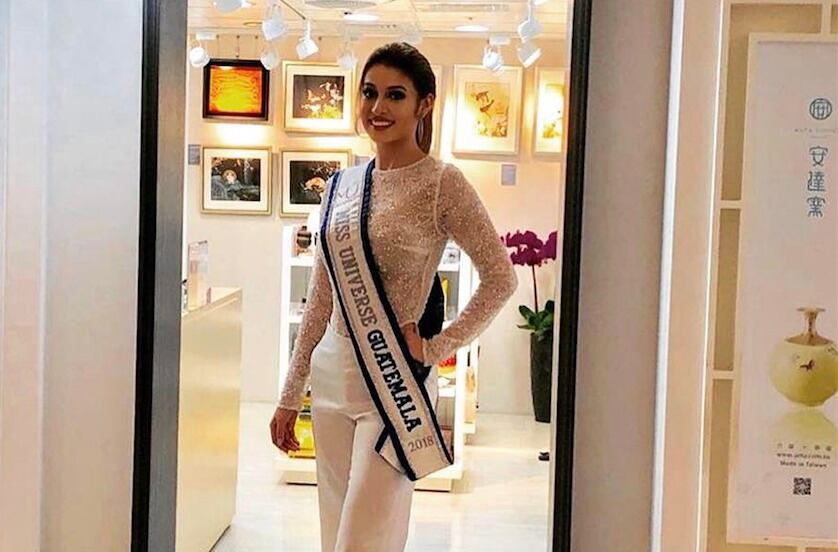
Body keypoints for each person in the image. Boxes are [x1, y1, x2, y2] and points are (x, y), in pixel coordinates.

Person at [269, 42, 518, 552]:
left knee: (362, 542)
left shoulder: (442, 183)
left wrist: (438, 346)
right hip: (332, 376)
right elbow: (321, 298)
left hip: (391, 385)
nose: (378, 107)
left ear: (424, 104)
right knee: (334, 534)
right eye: (370, 93)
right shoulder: (341, 185)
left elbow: (501, 277)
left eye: (395, 95)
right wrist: (291, 394)